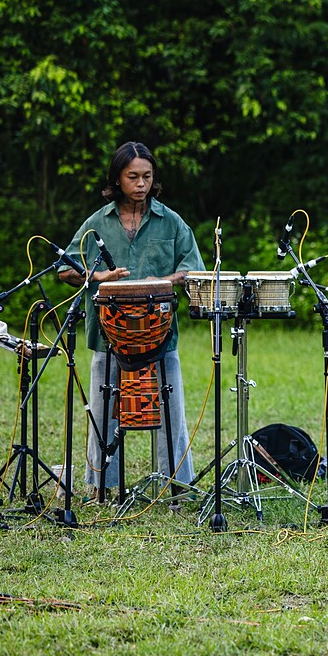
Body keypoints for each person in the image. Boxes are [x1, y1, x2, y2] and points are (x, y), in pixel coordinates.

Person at [58, 141, 205, 500]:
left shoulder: (171, 221)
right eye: (132, 177)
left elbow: (194, 269)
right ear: (117, 179)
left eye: (147, 176)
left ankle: (177, 486)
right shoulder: (97, 223)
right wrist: (97, 278)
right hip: (109, 334)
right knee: (104, 411)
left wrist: (167, 280)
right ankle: (102, 487)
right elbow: (66, 269)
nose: (141, 184)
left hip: (159, 334)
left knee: (172, 412)